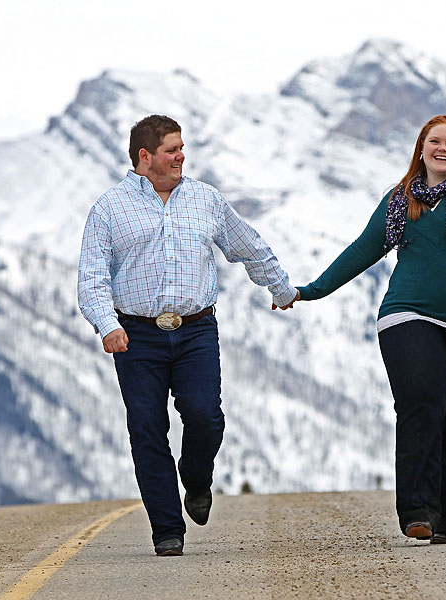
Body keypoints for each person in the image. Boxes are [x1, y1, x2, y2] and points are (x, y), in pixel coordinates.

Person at [78, 114, 298, 556]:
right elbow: (91, 277)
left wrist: (280, 287)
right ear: (145, 156)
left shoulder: (205, 199)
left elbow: (247, 245)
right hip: (136, 336)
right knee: (147, 428)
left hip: (196, 330)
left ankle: (196, 479)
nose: (181, 156)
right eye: (172, 150)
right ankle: (167, 530)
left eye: (181, 148)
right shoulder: (109, 208)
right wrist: (108, 324)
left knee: (205, 416)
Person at [291, 114, 446, 544]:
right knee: (421, 402)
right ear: (421, 148)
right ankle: (418, 511)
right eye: (435, 142)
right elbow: (364, 249)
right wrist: (312, 290)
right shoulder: (400, 199)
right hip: (409, 312)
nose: (442, 149)